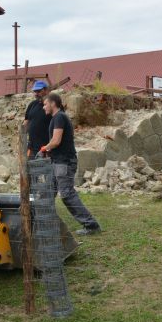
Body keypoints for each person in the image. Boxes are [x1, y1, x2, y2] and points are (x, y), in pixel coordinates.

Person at [40, 93, 102, 236]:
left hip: (64, 162)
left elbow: (56, 141)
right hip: (57, 161)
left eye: (45, 104)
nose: (43, 107)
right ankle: (43, 222)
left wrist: (45, 148)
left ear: (53, 103)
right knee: (49, 191)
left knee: (67, 194)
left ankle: (91, 225)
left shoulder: (60, 117)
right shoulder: (56, 118)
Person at [24, 80, 51, 158]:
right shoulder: (32, 104)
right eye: (35, 91)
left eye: (39, 91)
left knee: (45, 169)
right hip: (32, 147)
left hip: (46, 147)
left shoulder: (53, 104)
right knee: (31, 169)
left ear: (46, 90)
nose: (36, 94)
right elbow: (25, 123)